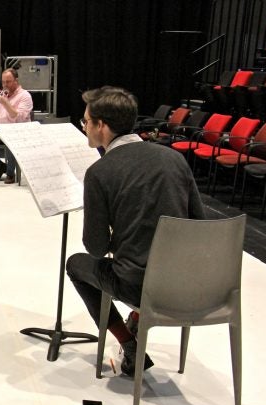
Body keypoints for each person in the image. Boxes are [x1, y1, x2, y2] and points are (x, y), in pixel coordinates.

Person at [65, 86, 206, 376]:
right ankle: (138, 319)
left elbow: (95, 248)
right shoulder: (174, 159)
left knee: (76, 265)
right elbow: (198, 224)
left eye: (86, 121)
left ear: (101, 125)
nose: (85, 127)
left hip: (139, 286)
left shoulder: (100, 172)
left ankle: (128, 344)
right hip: (188, 284)